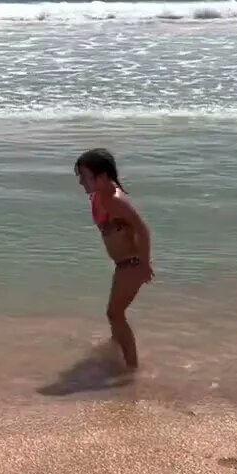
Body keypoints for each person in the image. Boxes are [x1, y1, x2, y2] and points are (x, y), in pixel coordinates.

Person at [74, 148, 154, 370]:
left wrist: (145, 264)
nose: (81, 182)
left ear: (102, 177)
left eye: (84, 176)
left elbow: (143, 230)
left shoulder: (115, 201)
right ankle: (115, 354)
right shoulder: (99, 196)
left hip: (132, 264)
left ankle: (131, 369)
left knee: (115, 313)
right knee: (114, 313)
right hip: (122, 264)